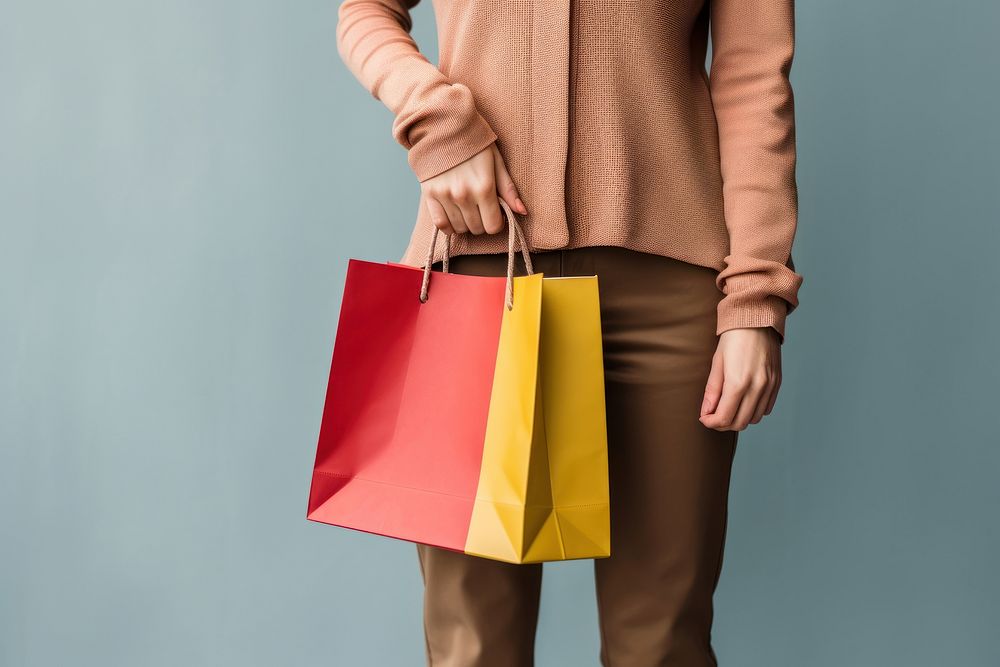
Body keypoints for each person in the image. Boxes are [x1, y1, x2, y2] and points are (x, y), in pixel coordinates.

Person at [335, 0, 803, 664]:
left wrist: (756, 294)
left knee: (662, 641)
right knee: (473, 640)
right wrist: (436, 121)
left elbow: (753, 76)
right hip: (477, 275)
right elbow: (363, 11)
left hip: (670, 296)